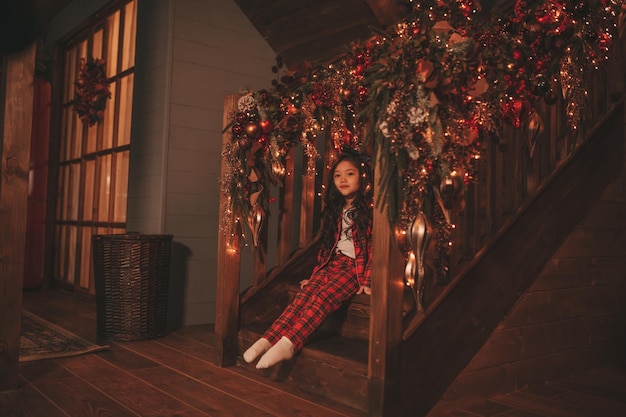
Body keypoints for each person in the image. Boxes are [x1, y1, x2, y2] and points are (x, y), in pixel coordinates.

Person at [243, 149, 374, 369]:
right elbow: (326, 250)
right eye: (338, 175)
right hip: (334, 264)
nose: (343, 179)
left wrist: (368, 281)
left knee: (322, 297)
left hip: (354, 268)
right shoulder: (337, 210)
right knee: (305, 294)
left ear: (362, 177)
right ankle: (269, 339)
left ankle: (291, 342)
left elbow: (375, 249)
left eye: (349, 174)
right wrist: (314, 277)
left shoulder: (369, 212)